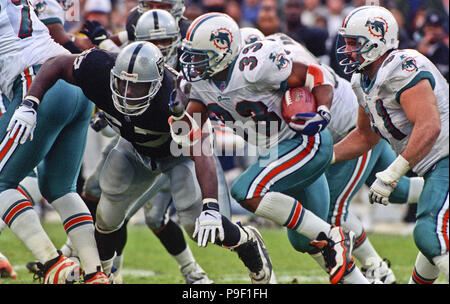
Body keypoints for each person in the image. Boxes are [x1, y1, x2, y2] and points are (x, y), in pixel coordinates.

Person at [15, 40, 277, 284]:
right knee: (107, 218)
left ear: (155, 84)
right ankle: (102, 276)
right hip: (134, 149)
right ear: (113, 75)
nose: (128, 93)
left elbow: (201, 150)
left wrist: (210, 205)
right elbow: (57, 64)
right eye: (122, 84)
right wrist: (30, 103)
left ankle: (246, 241)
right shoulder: (98, 68)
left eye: (138, 86)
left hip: (177, 154)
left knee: (196, 225)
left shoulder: (174, 99)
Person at [176, 12, 365, 284]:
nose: (193, 63)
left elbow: (313, 73)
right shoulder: (202, 84)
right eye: (191, 55)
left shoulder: (255, 64)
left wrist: (322, 111)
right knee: (304, 241)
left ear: (223, 50)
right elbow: (192, 137)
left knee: (245, 190)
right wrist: (177, 108)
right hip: (278, 157)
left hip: (304, 142)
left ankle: (333, 237)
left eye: (200, 56)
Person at [267, 32, 425, 284]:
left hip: (354, 132)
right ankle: (380, 268)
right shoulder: (278, 54)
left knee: (331, 214)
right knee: (398, 190)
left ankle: (372, 270)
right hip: (359, 124)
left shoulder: (279, 68)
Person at [335, 5, 449, 282]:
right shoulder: (362, 80)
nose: (347, 50)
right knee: (434, 243)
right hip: (434, 165)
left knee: (429, 235)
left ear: (376, 40)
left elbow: (429, 125)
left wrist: (390, 174)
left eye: (354, 43)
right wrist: (322, 156)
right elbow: (365, 135)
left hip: (444, 157)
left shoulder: (402, 67)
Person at [0, 0, 108, 284]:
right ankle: (95, 273)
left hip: (40, 82)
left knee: (1, 182)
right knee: (61, 188)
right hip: (76, 84)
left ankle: (53, 263)